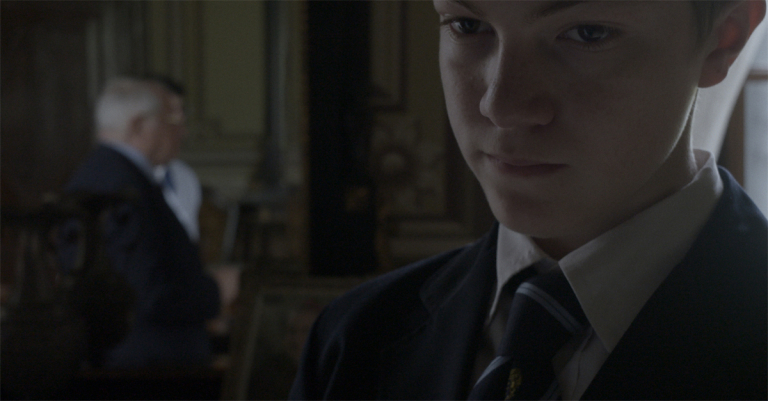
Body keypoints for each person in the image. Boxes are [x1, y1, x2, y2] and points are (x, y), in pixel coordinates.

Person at [290, 1, 767, 399]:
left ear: (724, 38)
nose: (501, 105)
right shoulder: (354, 337)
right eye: (467, 25)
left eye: (588, 33)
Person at [63, 76, 221, 369]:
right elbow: (147, 294)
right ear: (137, 126)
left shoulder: (109, 174)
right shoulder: (119, 186)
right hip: (147, 368)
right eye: (171, 121)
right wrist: (217, 290)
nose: (182, 132)